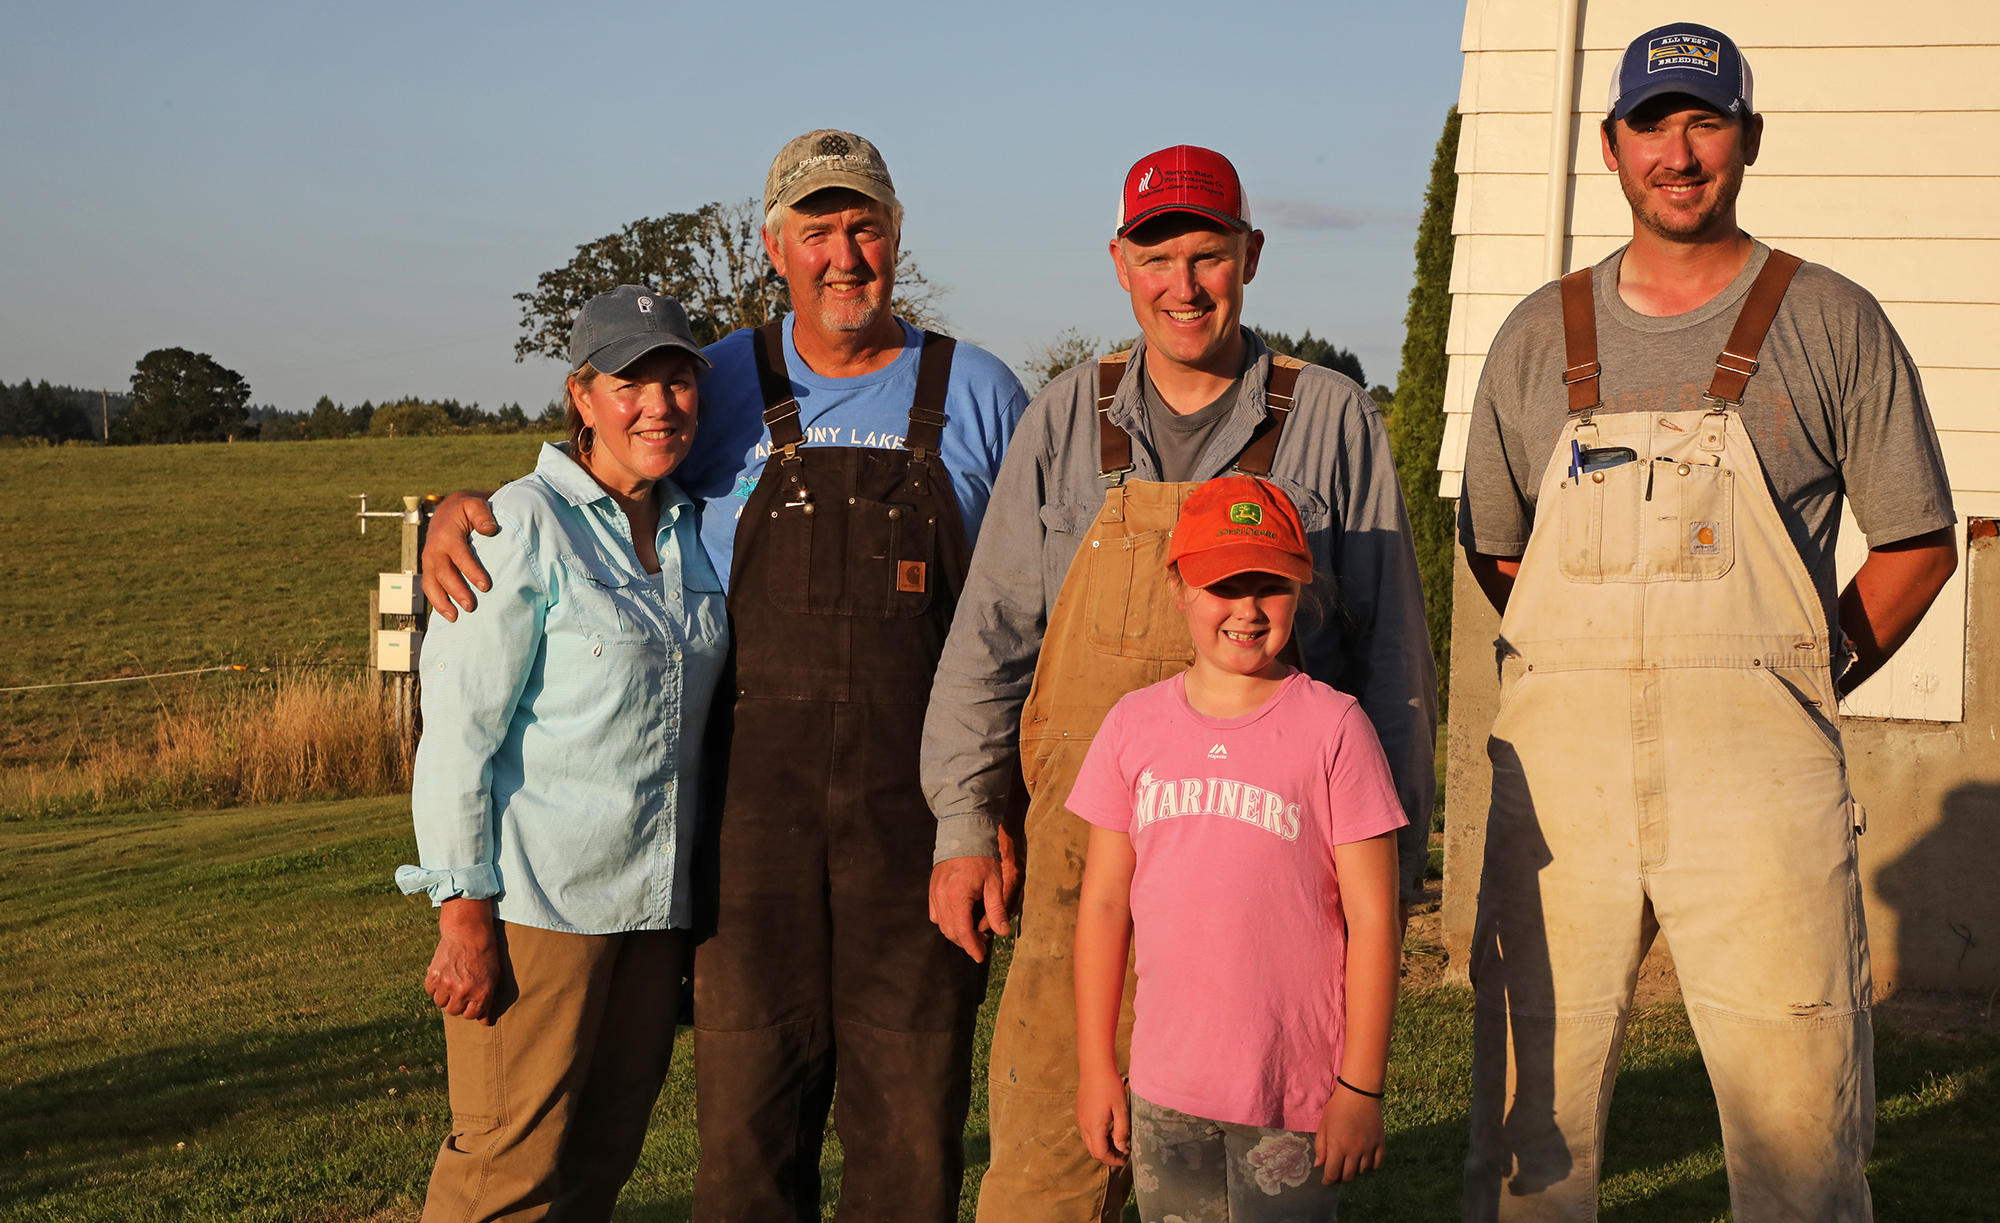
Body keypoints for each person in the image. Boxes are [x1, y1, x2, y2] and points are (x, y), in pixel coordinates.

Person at [420, 130, 1029, 1222]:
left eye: (863, 225)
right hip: (750, 833)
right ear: (772, 246)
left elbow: (1022, 616)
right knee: (745, 1129)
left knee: (910, 1124)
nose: (842, 253)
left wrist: (987, 808)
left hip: (917, 823)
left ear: (895, 235)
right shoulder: (719, 383)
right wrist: (472, 510)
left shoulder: (980, 392)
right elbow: (600, 473)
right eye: (815, 228)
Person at [1456, 24, 1959, 1221]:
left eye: (1705, 122)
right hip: (1557, 786)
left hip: (1759, 779)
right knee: (1529, 1135)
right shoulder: (1537, 333)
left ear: (1746, 140)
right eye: (1653, 124)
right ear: (1610, 145)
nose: (1677, 153)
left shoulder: (1832, 320)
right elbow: (1498, 542)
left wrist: (1797, 665)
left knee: (1799, 1136)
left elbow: (1916, 542)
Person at [923, 144, 1437, 1223]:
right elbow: (993, 631)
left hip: (1266, 888)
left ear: (1248, 256)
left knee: (1244, 1179)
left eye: (1208, 255)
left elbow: (1390, 651)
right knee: (1043, 1174)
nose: (1184, 285)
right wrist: (964, 818)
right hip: (1082, 871)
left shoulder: (1330, 416)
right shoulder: (1067, 416)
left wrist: (1390, 849)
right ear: (1119, 262)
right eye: (1157, 257)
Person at [394, 286, 728, 1222]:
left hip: (652, 910)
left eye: (677, 381)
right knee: (504, 1175)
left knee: (597, 1163)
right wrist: (462, 913)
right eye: (631, 383)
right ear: (583, 396)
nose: (658, 405)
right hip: (540, 910)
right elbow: (457, 732)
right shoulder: (518, 524)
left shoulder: (692, 525)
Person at [1069, 476, 1405, 1222]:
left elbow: (1376, 920)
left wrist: (1361, 1085)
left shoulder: (1335, 728)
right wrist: (1097, 1065)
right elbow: (1101, 905)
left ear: (1301, 589)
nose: (1247, 609)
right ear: (1180, 587)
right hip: (1165, 1093)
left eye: (1270, 586)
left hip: (1292, 1092)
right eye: (1224, 584)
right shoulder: (1131, 726)